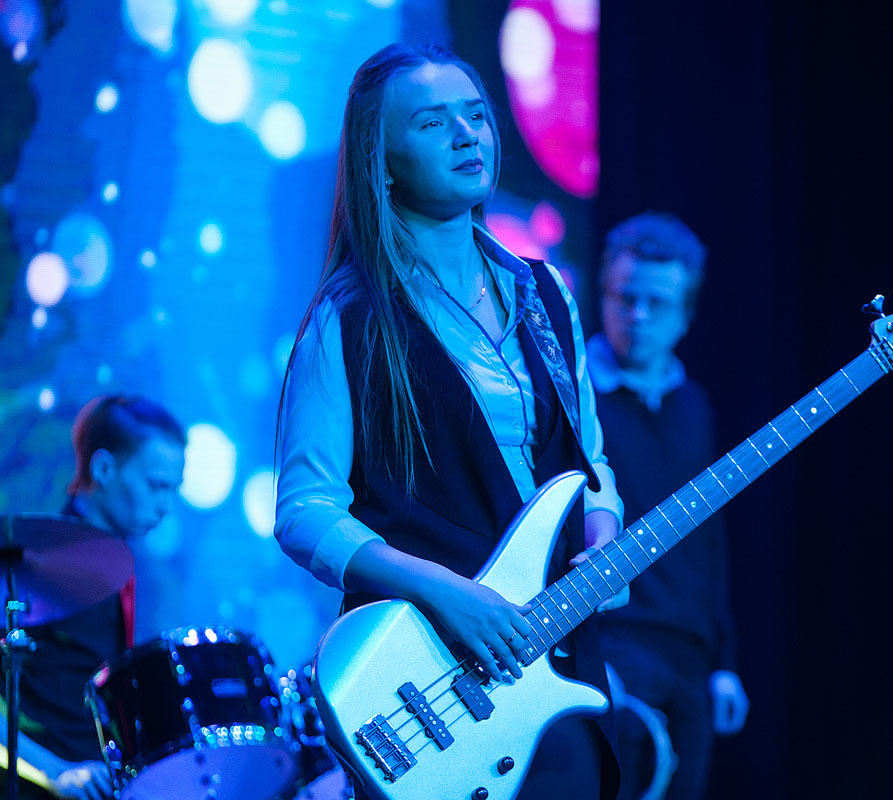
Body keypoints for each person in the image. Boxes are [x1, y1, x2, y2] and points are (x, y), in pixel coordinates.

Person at [274, 43, 626, 799]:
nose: (469, 136)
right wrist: (446, 592)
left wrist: (602, 535)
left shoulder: (545, 294)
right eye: (434, 124)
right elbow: (305, 513)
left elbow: (589, 464)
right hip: (434, 680)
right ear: (384, 162)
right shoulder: (349, 317)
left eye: (476, 116)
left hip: (557, 663)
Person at [0, 394, 186, 800]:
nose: (167, 506)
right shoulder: (37, 564)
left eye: (174, 489)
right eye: (156, 486)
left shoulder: (130, 570)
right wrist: (55, 773)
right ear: (103, 468)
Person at [588, 212, 749, 800]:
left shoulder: (694, 406)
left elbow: (710, 541)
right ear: (603, 295)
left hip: (689, 656)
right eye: (625, 297)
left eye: (656, 303)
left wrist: (724, 662)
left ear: (685, 316)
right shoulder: (572, 396)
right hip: (613, 645)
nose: (637, 315)